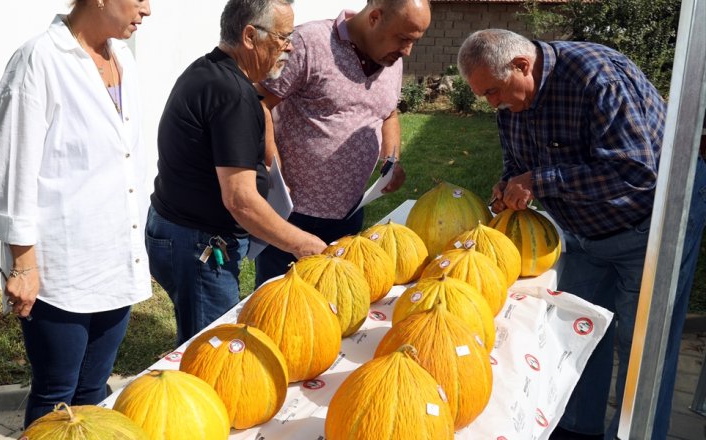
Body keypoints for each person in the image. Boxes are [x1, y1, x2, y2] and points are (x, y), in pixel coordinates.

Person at [457, 28, 706, 440]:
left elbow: (637, 174)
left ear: (522, 65)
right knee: (581, 329)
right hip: (585, 231)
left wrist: (540, 181)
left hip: (653, 220)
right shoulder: (510, 102)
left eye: (495, 92)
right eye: (485, 95)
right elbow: (517, 160)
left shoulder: (596, 78)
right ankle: (577, 428)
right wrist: (508, 184)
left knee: (643, 346)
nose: (493, 104)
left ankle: (634, 433)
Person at [0, 0, 152, 427]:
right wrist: (23, 265)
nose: (147, 10)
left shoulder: (124, 61)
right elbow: (11, 166)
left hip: (114, 260)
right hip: (61, 269)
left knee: (94, 390)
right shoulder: (39, 59)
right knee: (57, 395)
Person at [147, 0, 327, 345]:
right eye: (283, 37)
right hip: (199, 244)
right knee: (214, 352)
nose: (289, 47)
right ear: (249, 35)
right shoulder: (232, 93)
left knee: (198, 339)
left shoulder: (208, 71)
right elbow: (240, 200)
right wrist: (302, 243)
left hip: (176, 231)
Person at [253, 0, 431, 286]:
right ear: (374, 17)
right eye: (404, 38)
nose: (407, 51)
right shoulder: (306, 43)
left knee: (339, 302)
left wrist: (392, 160)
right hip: (291, 215)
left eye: (414, 41)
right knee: (283, 307)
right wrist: (274, 166)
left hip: (351, 214)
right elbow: (259, 102)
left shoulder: (392, 59)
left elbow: (389, 113)